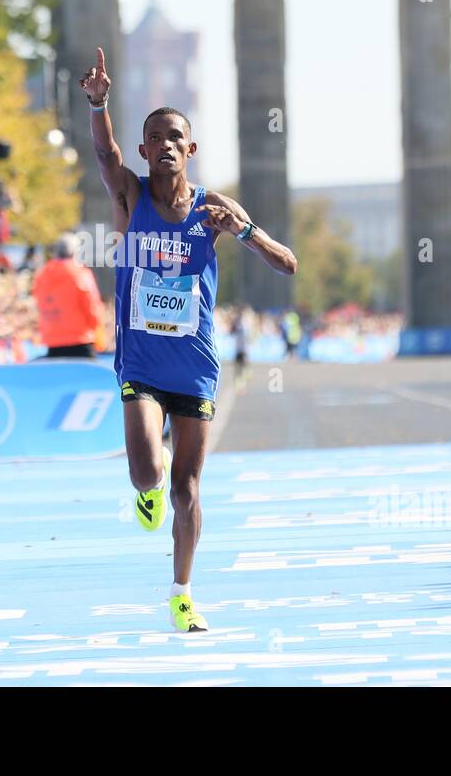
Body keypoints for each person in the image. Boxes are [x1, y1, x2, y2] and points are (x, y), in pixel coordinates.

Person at [80, 47, 297, 632]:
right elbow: (105, 154)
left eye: (177, 135)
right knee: (148, 473)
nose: (167, 144)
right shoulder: (129, 195)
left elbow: (288, 265)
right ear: (146, 150)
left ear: (190, 148)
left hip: (195, 367)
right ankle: (144, 486)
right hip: (142, 362)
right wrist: (99, 104)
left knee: (187, 488)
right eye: (156, 137)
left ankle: (182, 593)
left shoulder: (214, 208)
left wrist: (245, 231)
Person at [32, 232, 103, 358]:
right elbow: (93, 307)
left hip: (52, 341)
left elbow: (39, 303)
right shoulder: (80, 274)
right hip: (80, 340)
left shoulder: (42, 275)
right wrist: (96, 327)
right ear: (76, 252)